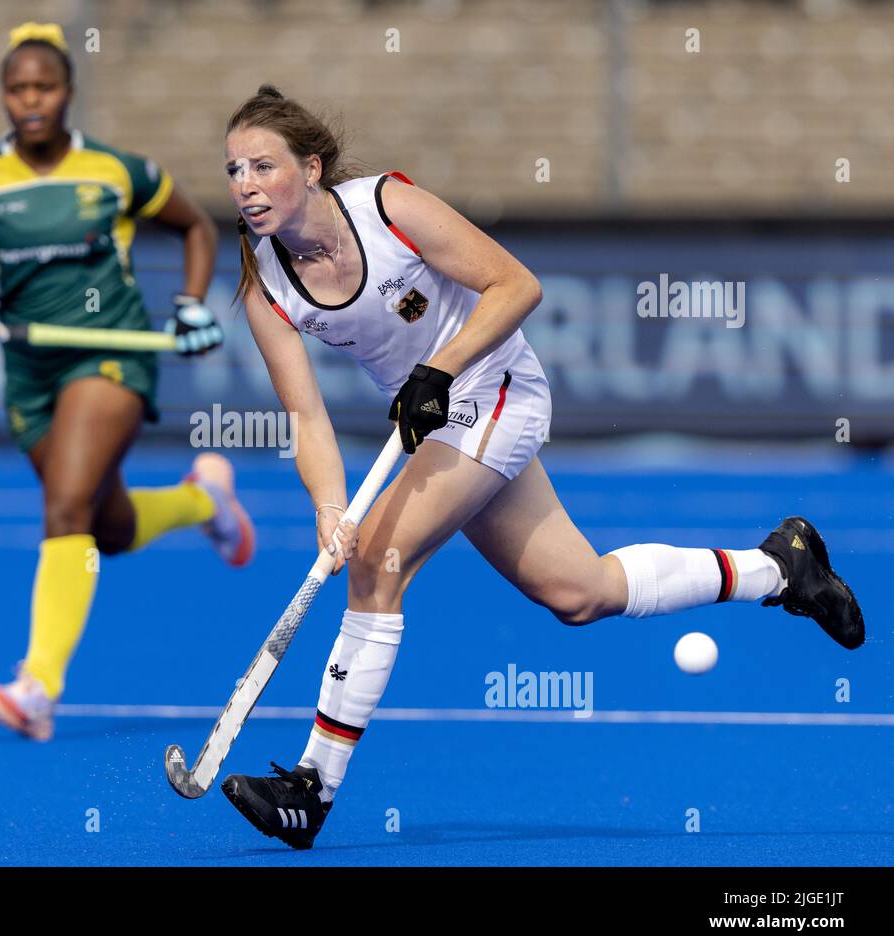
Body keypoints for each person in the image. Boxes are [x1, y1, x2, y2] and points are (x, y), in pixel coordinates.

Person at [217, 85, 864, 849]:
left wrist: (440, 369)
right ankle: (780, 569)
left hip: (496, 392)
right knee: (578, 592)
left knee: (381, 564)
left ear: (313, 168)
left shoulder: (388, 206)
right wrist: (331, 508)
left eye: (263, 165)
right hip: (438, 424)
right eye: (233, 171)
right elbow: (307, 418)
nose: (246, 185)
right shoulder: (269, 285)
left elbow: (517, 285)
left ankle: (312, 788)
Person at [0, 23, 254, 741]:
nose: (31, 100)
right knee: (104, 527)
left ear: (69, 93)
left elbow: (196, 226)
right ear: (4, 96)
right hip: (29, 374)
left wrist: (192, 303)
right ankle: (207, 502)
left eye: (44, 87)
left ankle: (37, 687)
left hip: (110, 356)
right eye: (18, 89)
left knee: (65, 507)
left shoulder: (117, 171)